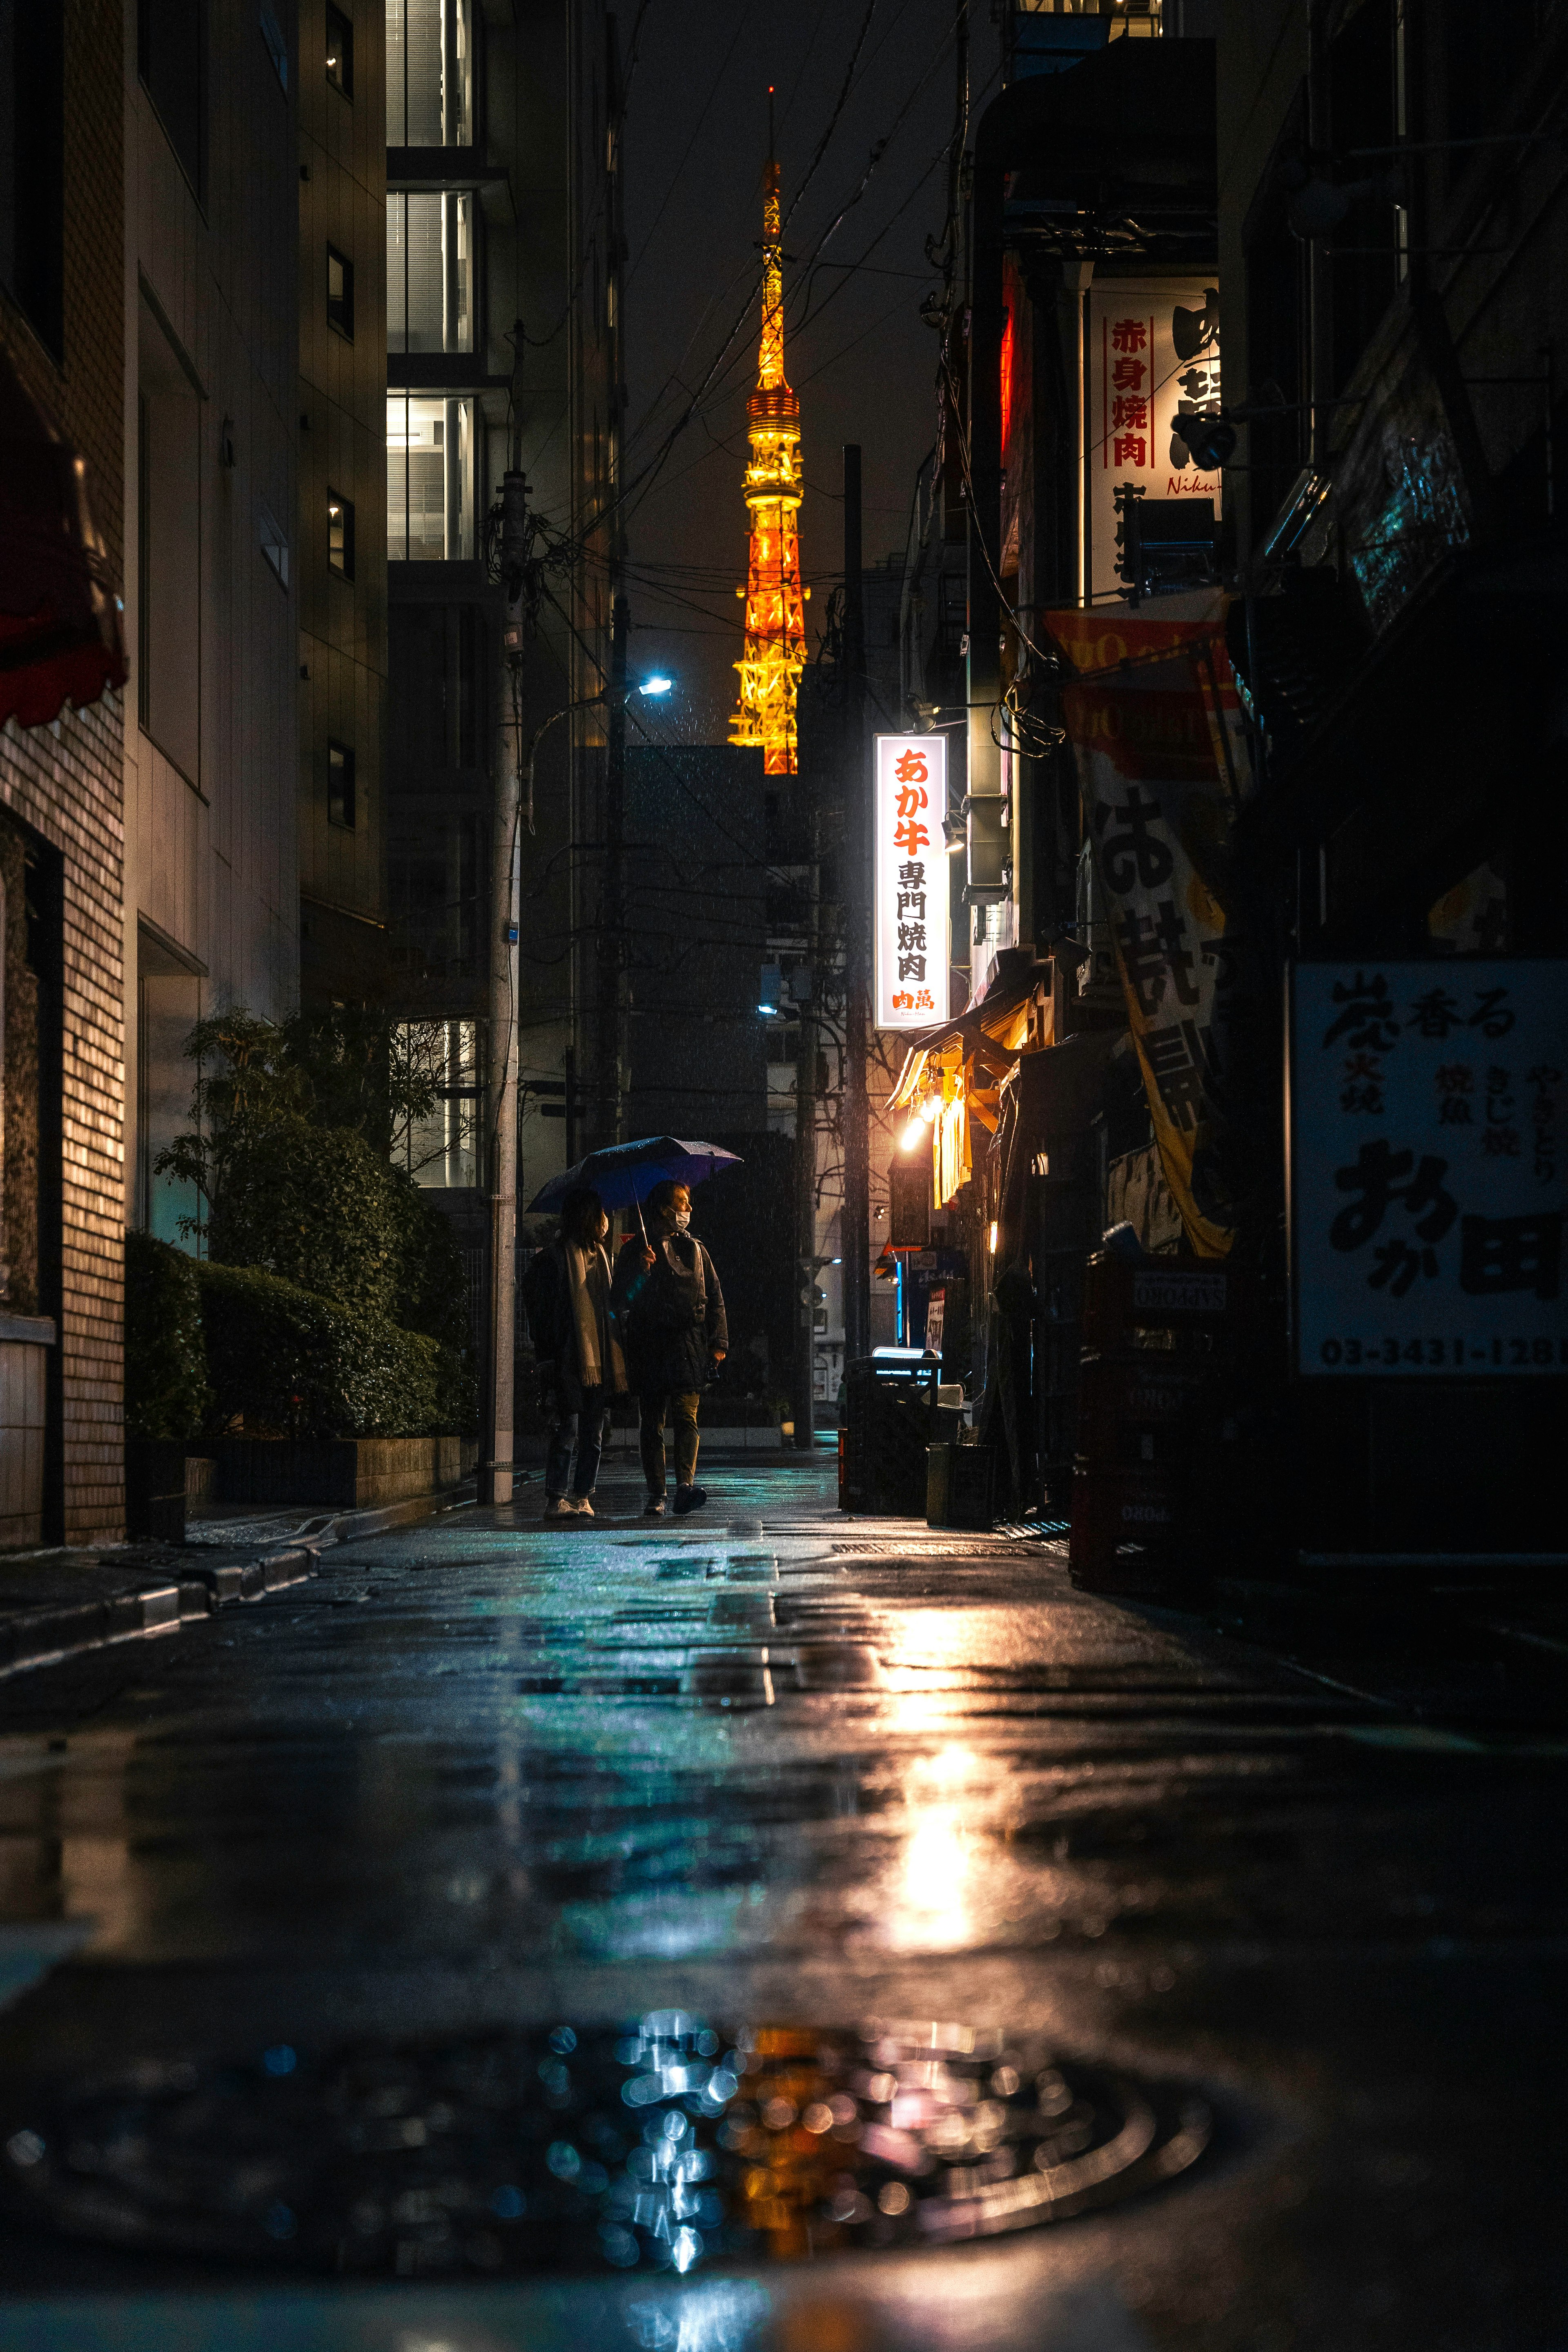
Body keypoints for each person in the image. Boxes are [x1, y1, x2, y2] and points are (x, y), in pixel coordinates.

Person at [611, 1178, 727, 1517]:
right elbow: (619, 1303)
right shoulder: (635, 1250)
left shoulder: (695, 1249)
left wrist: (718, 1342)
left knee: (687, 1418)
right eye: (682, 1202)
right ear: (665, 1209)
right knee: (652, 1422)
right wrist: (640, 1272)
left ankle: (684, 1488)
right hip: (650, 1344)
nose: (688, 1209)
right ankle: (657, 1492)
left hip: (689, 1344)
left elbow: (715, 1297)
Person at [520, 1187, 625, 1519]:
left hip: (600, 1357)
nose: (606, 1222)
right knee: (567, 1429)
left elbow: (621, 1304)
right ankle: (556, 1498)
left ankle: (583, 1496)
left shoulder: (605, 1260)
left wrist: (641, 1271)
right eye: (602, 1215)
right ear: (590, 1219)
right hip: (568, 1357)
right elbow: (542, 1313)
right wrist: (546, 1355)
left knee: (593, 1431)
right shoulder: (553, 1260)